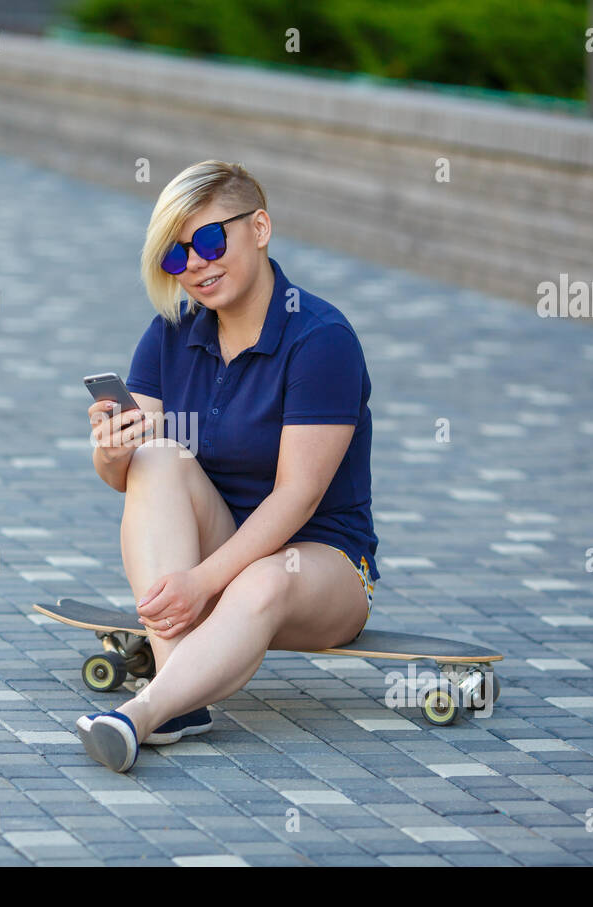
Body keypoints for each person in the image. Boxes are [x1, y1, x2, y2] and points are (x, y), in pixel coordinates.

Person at [77, 160, 379, 773]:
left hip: (320, 567)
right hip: (216, 555)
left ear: (260, 227)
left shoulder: (321, 339)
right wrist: (111, 451)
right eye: (175, 255)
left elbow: (296, 496)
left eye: (211, 239)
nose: (196, 264)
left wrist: (202, 582)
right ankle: (180, 690)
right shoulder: (171, 333)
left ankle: (144, 713)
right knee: (156, 457)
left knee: (264, 579)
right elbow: (129, 479)